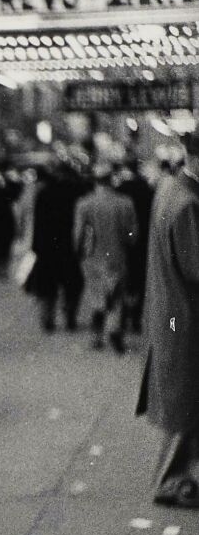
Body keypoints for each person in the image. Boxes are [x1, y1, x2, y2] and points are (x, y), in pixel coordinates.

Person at [136, 122, 199, 507]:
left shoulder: (169, 189)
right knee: (185, 401)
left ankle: (178, 478)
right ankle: (170, 481)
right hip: (184, 315)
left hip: (170, 310)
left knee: (184, 398)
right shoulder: (188, 202)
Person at [73, 158, 137, 353]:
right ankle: (115, 328)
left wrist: (77, 251)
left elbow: (78, 233)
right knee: (116, 295)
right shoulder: (125, 202)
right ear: (111, 179)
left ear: (94, 180)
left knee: (97, 295)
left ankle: (97, 335)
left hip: (93, 257)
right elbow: (133, 234)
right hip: (118, 256)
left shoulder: (84, 203)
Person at [30, 160, 85, 332]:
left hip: (48, 246)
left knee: (48, 285)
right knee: (72, 284)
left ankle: (47, 319)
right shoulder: (78, 192)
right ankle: (70, 317)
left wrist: (36, 245)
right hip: (70, 245)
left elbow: (38, 223)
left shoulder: (44, 193)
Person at [115, 158, 154, 334]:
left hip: (123, 242)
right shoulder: (147, 189)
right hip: (143, 241)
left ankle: (123, 318)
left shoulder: (120, 189)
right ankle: (136, 318)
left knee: (125, 281)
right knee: (139, 281)